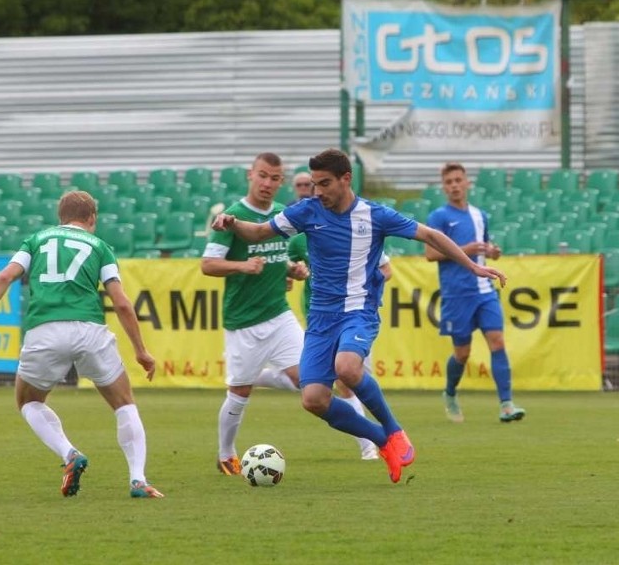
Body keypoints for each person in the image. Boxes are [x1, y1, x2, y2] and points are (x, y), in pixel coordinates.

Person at [211, 148, 507, 483]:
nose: (317, 191)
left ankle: (394, 431)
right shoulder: (306, 211)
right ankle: (382, 441)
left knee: (347, 368)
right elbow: (259, 232)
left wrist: (473, 267)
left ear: (346, 179)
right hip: (321, 319)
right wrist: (233, 224)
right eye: (314, 184)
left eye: (324, 183)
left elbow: (431, 236)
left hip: (358, 311)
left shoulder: (375, 214)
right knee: (313, 400)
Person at [0, 191, 163, 498]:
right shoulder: (100, 247)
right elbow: (122, 304)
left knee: (28, 401)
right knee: (124, 403)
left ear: (60, 218)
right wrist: (141, 350)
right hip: (89, 331)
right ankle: (138, 480)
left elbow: (6, 276)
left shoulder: (36, 240)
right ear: (92, 219)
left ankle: (69, 454)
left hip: (44, 331)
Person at [201, 152, 311, 475]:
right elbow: (208, 265)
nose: (267, 183)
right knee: (240, 392)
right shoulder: (231, 218)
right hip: (243, 321)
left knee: (310, 379)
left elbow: (276, 258)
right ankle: (225, 454)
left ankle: (260, 376)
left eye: (274, 178)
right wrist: (242, 266)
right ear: (251, 175)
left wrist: (293, 269)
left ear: (281, 182)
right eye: (262, 175)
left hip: (279, 314)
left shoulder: (281, 214)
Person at [425, 162, 526, 424]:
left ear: (467, 182)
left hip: (484, 290)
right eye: (449, 182)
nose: (455, 185)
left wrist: (491, 252)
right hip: (457, 294)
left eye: (459, 180)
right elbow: (430, 254)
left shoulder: (480, 215)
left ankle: (506, 404)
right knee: (462, 354)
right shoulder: (438, 217)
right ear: (444, 187)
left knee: (497, 342)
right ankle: (450, 393)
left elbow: (486, 245)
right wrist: (465, 249)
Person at [288, 226, 392, 461]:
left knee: (348, 376)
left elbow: (386, 269)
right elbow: (291, 271)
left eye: (310, 185)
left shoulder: (357, 230)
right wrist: (292, 275)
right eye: (305, 186)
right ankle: (374, 444)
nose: (308, 189)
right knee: (320, 390)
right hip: (321, 320)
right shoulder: (298, 241)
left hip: (356, 316)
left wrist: (359, 281)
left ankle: (386, 436)